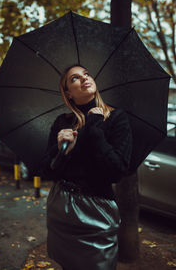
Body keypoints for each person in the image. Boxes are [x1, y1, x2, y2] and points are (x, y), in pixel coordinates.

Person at [40, 65, 133, 270]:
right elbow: (48, 170)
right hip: (61, 205)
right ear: (68, 93)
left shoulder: (116, 118)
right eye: (75, 78)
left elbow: (117, 171)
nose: (84, 79)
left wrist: (93, 129)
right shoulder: (62, 123)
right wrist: (63, 151)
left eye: (87, 74)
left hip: (98, 211)